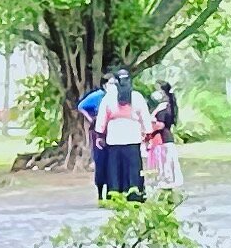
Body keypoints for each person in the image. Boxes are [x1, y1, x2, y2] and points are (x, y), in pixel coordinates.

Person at [79, 69, 154, 200]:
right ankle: (135, 194)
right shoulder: (137, 97)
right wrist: (148, 135)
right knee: (133, 168)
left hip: (114, 139)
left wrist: (100, 136)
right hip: (133, 138)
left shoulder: (108, 98)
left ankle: (115, 195)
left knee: (114, 169)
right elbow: (145, 118)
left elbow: (101, 120)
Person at [143, 81, 185, 192]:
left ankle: (166, 187)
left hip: (162, 140)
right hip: (164, 139)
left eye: (157, 89)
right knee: (165, 167)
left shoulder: (163, 107)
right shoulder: (166, 105)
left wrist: (147, 130)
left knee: (164, 167)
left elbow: (161, 124)